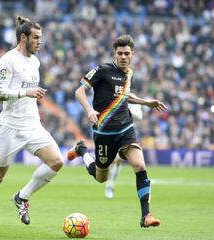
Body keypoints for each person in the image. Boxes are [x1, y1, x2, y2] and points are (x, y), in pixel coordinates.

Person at [0, 16, 64, 235]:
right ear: (23, 37)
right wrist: (24, 92)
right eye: (35, 38)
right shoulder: (8, 60)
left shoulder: (35, 61)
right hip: (9, 127)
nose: (40, 42)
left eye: (41, 38)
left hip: (32, 125)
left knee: (56, 161)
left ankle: (22, 197)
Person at [67, 34, 167, 228]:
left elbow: (124, 96)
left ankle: (146, 215)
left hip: (125, 129)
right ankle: (81, 152)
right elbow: (79, 91)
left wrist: (147, 102)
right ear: (114, 53)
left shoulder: (129, 73)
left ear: (132, 54)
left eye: (127, 53)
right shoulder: (102, 70)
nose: (123, 57)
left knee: (139, 165)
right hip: (104, 133)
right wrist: (89, 110)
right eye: (120, 53)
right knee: (100, 177)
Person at [104, 104, 143, 199]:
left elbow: (139, 116)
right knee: (112, 160)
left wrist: (124, 110)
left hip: (127, 134)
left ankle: (110, 185)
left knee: (118, 159)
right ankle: (109, 184)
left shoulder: (132, 100)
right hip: (113, 131)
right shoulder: (115, 97)